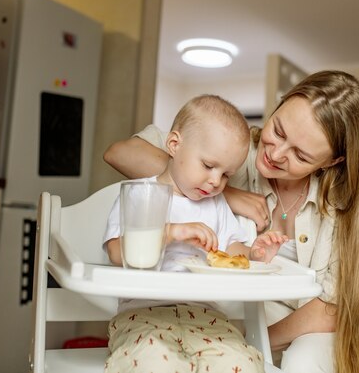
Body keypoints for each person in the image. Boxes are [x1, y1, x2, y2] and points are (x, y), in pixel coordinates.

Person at [104, 70, 359, 373]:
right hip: (278, 304)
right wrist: (228, 192)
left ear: (332, 161)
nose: (276, 154)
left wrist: (249, 341)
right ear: (280, 104)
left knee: (301, 361)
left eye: (301, 155)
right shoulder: (233, 150)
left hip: (356, 312)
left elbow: (331, 309)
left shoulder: (343, 204)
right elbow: (122, 153)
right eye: (278, 130)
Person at [103, 94, 287, 373]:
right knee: (152, 364)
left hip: (208, 318)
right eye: (208, 166)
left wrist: (256, 253)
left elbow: (232, 251)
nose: (216, 182)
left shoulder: (216, 205)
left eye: (226, 175)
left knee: (245, 364)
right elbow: (116, 252)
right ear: (174, 145)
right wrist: (173, 232)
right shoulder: (140, 195)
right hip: (142, 316)